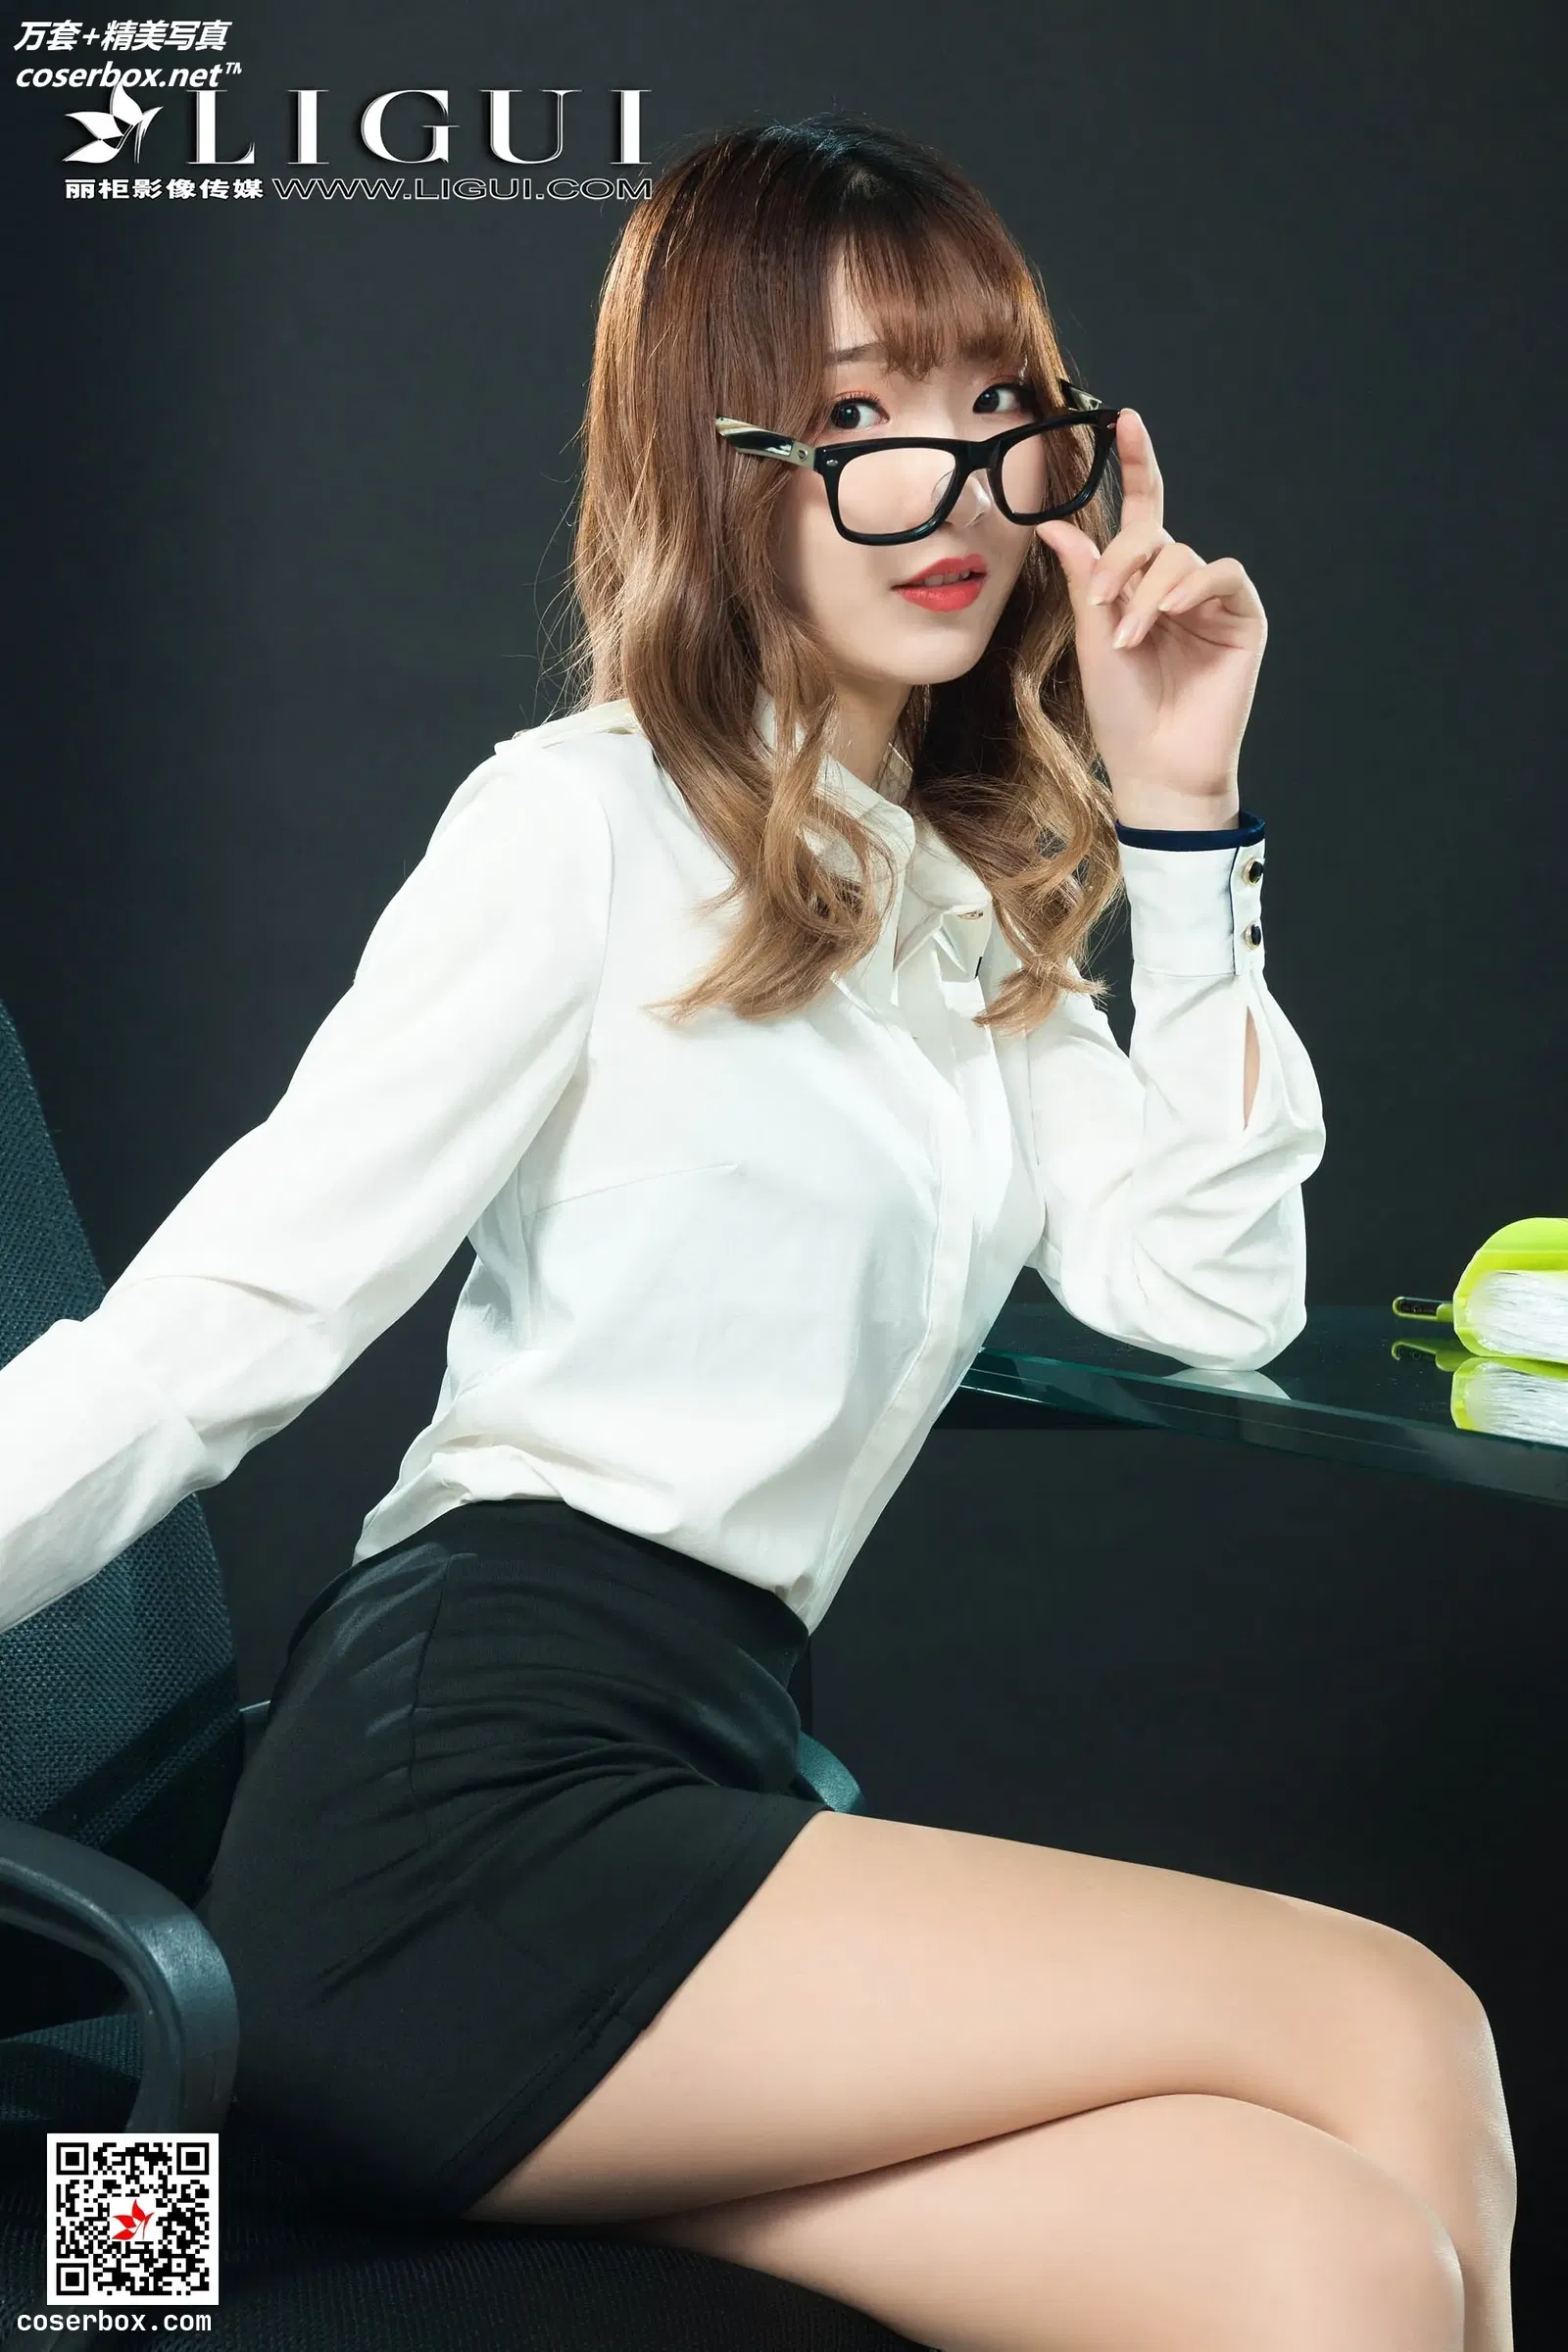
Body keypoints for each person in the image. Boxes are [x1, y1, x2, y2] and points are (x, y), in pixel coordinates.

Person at [0, 111, 1512, 2352]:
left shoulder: (957, 909)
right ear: (713, 465)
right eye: (855, 418)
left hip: (708, 1782)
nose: (956, 492)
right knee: (1387, 2018)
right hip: (463, 1814)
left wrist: (1181, 812)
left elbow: (1203, 1295)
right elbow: (214, 1331)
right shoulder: (577, 824)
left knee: (1326, 2262)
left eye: (995, 409)